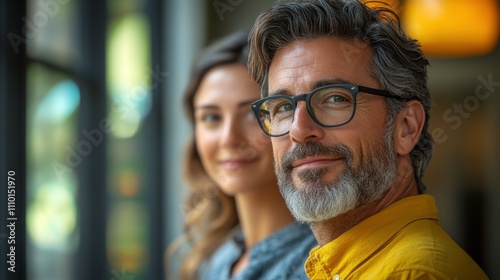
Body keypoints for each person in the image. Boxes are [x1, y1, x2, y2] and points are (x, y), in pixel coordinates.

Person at [247, 0, 488, 279]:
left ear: (406, 128)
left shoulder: (416, 273)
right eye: (283, 107)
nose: (299, 130)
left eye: (335, 98)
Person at [167, 30, 316, 280]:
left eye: (251, 114)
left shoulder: (317, 266)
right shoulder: (214, 261)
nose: (228, 138)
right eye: (211, 117)